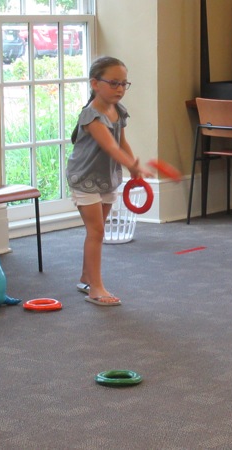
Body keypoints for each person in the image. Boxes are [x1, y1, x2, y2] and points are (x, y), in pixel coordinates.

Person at [66, 56, 152, 306]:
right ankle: (96, 288)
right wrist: (132, 164)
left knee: (97, 231)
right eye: (114, 83)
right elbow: (110, 147)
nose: (120, 89)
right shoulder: (91, 116)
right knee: (97, 231)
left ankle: (85, 278)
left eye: (124, 84)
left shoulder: (118, 110)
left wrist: (133, 166)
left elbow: (122, 142)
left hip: (107, 178)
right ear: (95, 83)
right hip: (84, 178)